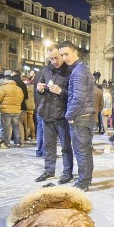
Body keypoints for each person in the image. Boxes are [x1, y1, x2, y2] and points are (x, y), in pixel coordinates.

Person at [59, 40, 96, 191]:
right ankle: (86, 180)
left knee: (81, 151)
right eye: (62, 55)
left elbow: (79, 98)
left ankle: (83, 182)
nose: (64, 58)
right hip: (84, 116)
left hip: (81, 117)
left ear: (75, 53)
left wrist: (69, 115)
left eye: (67, 54)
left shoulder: (79, 71)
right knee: (85, 150)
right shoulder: (81, 69)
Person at [34, 45, 74, 184]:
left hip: (62, 115)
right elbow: (40, 86)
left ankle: (67, 173)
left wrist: (60, 91)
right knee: (48, 146)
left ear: (62, 56)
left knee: (65, 146)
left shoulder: (70, 71)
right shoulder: (46, 70)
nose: (54, 61)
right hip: (47, 112)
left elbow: (74, 95)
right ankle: (49, 171)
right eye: (51, 58)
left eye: (56, 57)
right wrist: (40, 88)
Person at [0, 76, 24, 148]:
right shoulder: (18, 88)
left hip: (6, 110)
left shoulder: (3, 88)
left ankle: (7, 143)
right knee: (16, 127)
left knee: (6, 127)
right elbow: (22, 98)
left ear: (5, 80)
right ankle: (17, 143)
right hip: (16, 110)